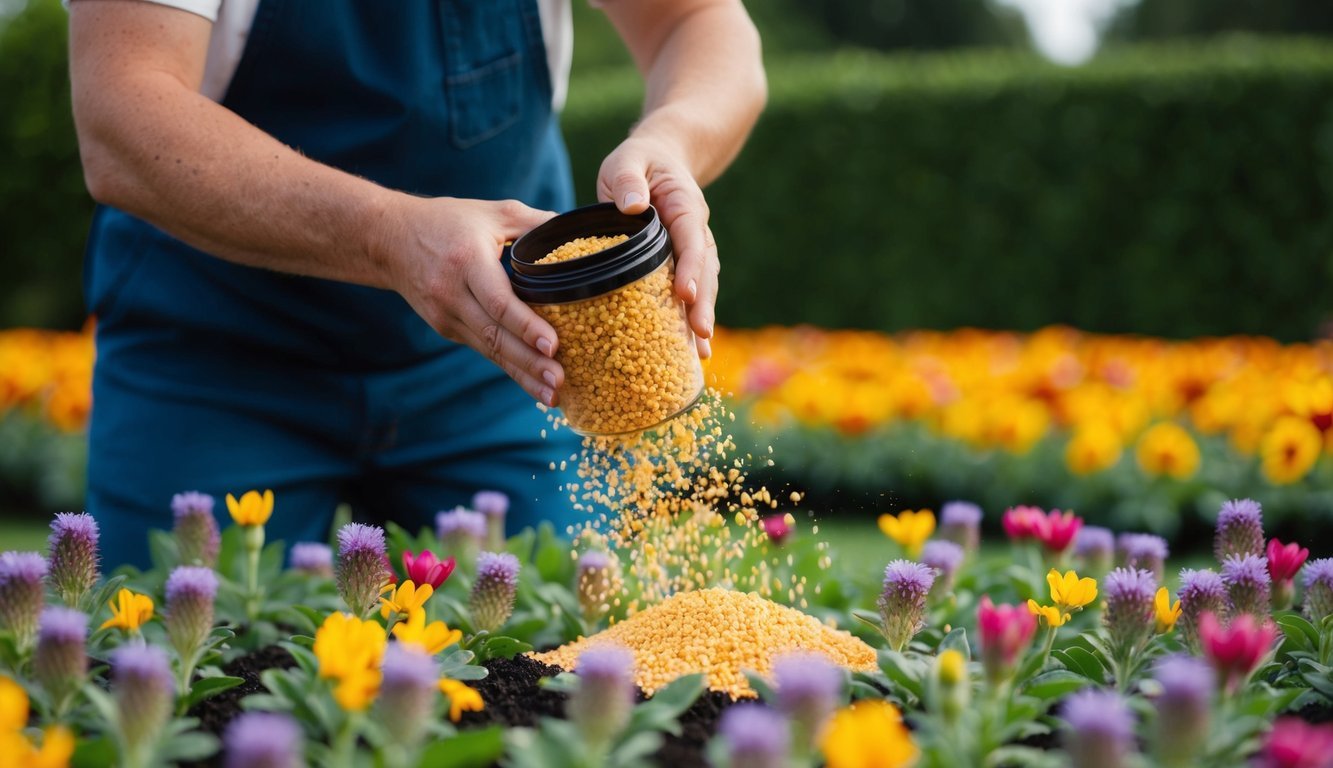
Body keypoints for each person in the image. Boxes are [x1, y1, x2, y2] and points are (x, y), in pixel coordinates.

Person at [67, 0, 766, 566]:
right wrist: (389, 234)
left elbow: (696, 20)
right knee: (179, 675)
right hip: (217, 349)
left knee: (560, 666)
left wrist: (674, 138)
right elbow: (123, 109)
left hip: (507, 351)